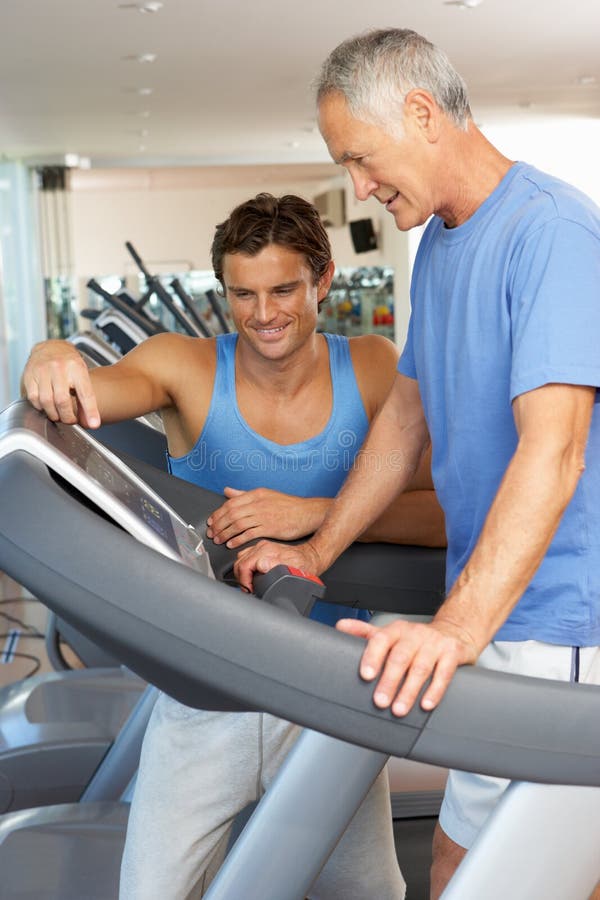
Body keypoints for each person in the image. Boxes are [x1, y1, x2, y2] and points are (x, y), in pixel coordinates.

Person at [233, 30, 600, 898]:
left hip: (565, 624)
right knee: (459, 869)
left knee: (523, 876)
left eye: (360, 158)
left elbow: (555, 450)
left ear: (423, 115)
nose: (358, 186)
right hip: (493, 610)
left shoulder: (553, 234)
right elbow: (404, 419)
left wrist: (455, 630)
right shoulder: (439, 244)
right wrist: (315, 553)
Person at [22, 192, 445, 899]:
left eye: (283, 290)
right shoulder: (181, 366)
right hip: (206, 693)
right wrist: (50, 352)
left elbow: (441, 516)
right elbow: (79, 394)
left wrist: (314, 515)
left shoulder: (373, 368)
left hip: (329, 692)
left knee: (370, 894)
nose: (263, 313)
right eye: (243, 294)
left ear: (322, 280)